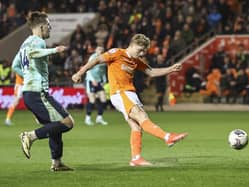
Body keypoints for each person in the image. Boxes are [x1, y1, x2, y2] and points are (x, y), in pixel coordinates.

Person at [72, 33, 188, 166]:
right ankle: (167, 137)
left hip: (130, 93)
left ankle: (136, 158)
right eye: (140, 50)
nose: (143, 53)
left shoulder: (136, 61)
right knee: (141, 115)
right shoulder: (116, 53)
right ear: (132, 45)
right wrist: (80, 73)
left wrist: (171, 69)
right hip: (120, 92)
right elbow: (96, 60)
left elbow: (151, 72)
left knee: (136, 126)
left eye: (144, 51)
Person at [13, 11, 74, 171]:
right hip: (37, 92)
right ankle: (30, 136)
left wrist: (28, 77)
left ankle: (56, 162)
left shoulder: (24, 44)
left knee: (54, 125)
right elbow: (34, 53)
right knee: (67, 123)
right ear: (41, 27)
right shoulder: (37, 41)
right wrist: (54, 50)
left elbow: (15, 66)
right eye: (48, 25)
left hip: (30, 92)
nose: (50, 28)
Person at [84, 46, 108, 125]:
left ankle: (99, 118)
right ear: (96, 50)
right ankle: (87, 118)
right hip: (90, 81)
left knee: (104, 99)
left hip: (98, 82)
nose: (100, 50)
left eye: (102, 49)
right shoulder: (93, 58)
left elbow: (103, 71)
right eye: (99, 49)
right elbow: (88, 69)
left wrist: (104, 80)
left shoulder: (104, 58)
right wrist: (92, 79)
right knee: (92, 100)